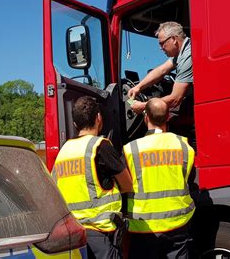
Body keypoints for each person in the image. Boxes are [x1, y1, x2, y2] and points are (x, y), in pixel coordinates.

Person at [52, 96, 133, 259]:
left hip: (73, 235)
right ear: (98, 118)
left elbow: (54, 190)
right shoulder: (101, 146)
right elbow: (127, 185)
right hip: (100, 233)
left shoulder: (63, 151)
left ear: (75, 124)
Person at [123, 98, 195, 259]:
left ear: (146, 117)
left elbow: (123, 184)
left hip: (143, 226)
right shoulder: (185, 146)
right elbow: (188, 178)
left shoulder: (130, 149)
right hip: (178, 222)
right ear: (168, 117)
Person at [127, 21, 195, 149]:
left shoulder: (188, 55)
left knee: (166, 116)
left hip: (196, 110)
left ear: (174, 39)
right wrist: (138, 87)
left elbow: (175, 98)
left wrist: (145, 106)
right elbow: (162, 70)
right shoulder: (182, 53)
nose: (160, 48)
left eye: (162, 43)